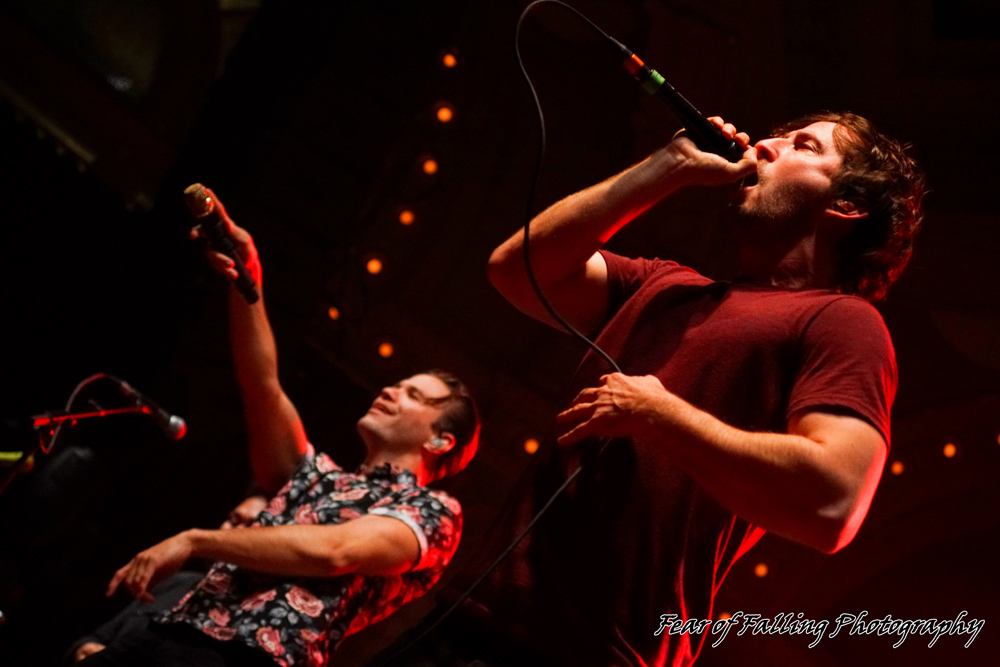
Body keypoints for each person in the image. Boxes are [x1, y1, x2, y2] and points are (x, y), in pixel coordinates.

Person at [485, 112, 924, 665]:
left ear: (847, 205)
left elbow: (834, 501)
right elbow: (518, 269)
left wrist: (662, 415)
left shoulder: (842, 321)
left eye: (802, 146)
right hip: (478, 619)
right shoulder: (664, 284)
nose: (764, 145)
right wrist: (666, 167)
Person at [78, 189, 481, 667]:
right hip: (171, 631)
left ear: (440, 440)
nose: (390, 391)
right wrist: (247, 278)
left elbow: (336, 550)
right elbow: (261, 384)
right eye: (396, 384)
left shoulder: (433, 511)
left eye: (414, 395)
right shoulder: (318, 476)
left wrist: (196, 539)